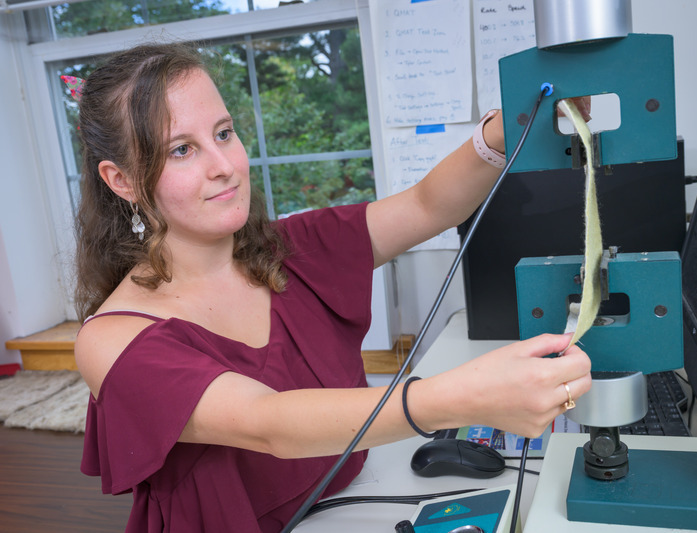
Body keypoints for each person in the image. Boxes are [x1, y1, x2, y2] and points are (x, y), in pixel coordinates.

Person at [72, 41, 592, 533]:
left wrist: (507, 126)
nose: (226, 167)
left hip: (345, 502)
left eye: (225, 133)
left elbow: (426, 206)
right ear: (122, 180)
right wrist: (463, 397)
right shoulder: (112, 341)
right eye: (183, 149)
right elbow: (266, 421)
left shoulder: (289, 247)